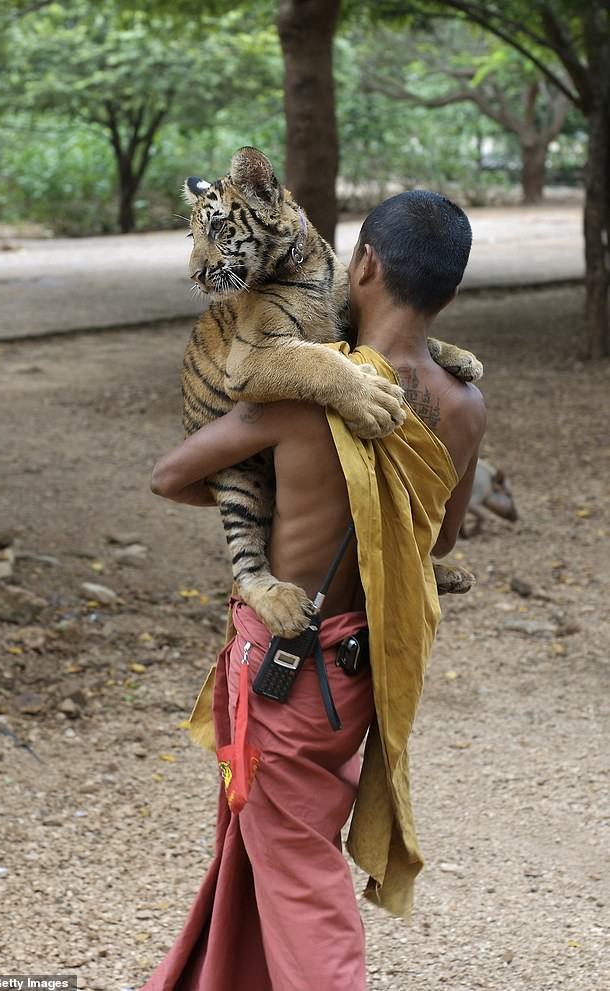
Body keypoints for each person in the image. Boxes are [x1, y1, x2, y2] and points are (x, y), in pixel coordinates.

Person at [141, 190, 486, 991]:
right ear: (449, 293)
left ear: (362, 264)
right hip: (368, 670)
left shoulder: (304, 393)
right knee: (255, 845)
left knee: (298, 873)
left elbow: (169, 475)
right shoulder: (466, 405)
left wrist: (262, 493)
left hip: (286, 681)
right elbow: (437, 542)